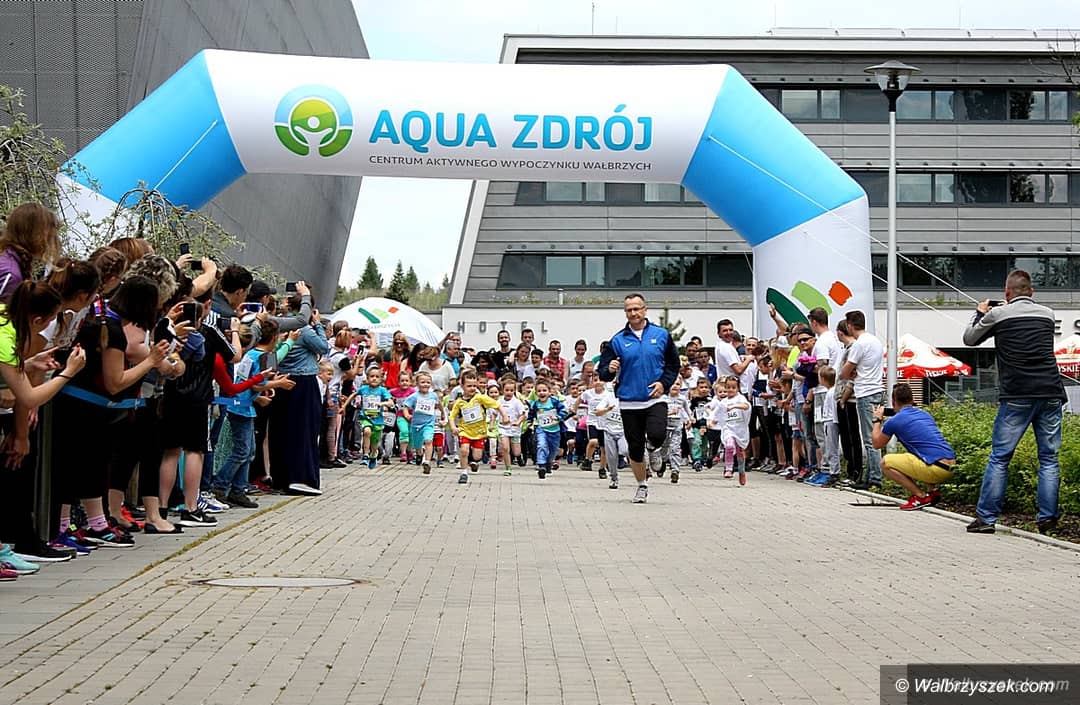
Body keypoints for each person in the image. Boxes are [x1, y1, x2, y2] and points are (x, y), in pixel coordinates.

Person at [962, 269, 1066, 534]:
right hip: (1051, 392)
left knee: (1000, 457)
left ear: (1007, 293)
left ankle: (986, 519)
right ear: (1032, 292)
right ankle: (1047, 519)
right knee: (1049, 459)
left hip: (1017, 394)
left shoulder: (999, 314)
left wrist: (980, 313)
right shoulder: (1048, 314)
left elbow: (970, 339)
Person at [598, 294, 680, 504]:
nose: (633, 313)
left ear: (645, 309)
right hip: (629, 401)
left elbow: (673, 365)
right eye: (629, 310)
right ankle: (642, 485)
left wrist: (663, 384)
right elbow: (603, 373)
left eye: (637, 309)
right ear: (625, 313)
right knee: (634, 449)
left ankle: (653, 449)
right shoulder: (617, 340)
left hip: (655, 398)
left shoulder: (661, 335)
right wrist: (610, 369)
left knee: (657, 433)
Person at [870, 383, 955, 510]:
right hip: (950, 466)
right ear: (912, 399)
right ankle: (933, 492)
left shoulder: (894, 421)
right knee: (920, 453)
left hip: (936, 469)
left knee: (885, 462)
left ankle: (921, 496)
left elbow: (877, 444)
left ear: (893, 402)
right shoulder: (925, 414)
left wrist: (877, 420)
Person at [840, 310, 885, 490]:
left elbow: (844, 372)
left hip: (865, 392)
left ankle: (874, 478)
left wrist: (851, 372)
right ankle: (872, 474)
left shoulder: (859, 344)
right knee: (875, 434)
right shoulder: (875, 341)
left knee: (869, 438)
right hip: (877, 389)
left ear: (850, 325)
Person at [448, 371, 506, 484]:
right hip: (465, 430)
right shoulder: (459, 402)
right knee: (464, 450)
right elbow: (451, 416)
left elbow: (497, 405)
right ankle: (464, 473)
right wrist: (453, 427)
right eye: (469, 386)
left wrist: (504, 416)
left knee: (477, 456)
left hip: (479, 432)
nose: (472, 388)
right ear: (462, 386)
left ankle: (473, 461)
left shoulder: (480, 398)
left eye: (474, 386)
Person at [0, 203, 61, 304]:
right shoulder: (11, 275)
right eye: (49, 236)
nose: (49, 242)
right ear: (36, 235)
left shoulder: (7, 256)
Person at [712, 376, 751, 485]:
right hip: (728, 428)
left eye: (733, 387)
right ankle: (728, 468)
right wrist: (712, 421)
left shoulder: (740, 398)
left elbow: (746, 406)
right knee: (729, 445)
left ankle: (741, 471)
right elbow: (717, 414)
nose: (730, 390)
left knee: (740, 452)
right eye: (728, 387)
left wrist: (735, 406)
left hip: (740, 429)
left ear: (738, 388)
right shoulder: (723, 402)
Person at [527, 379, 568, 479]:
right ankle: (541, 465)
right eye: (539, 391)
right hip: (542, 429)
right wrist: (529, 421)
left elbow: (564, 410)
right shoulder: (536, 404)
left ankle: (549, 462)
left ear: (549, 392)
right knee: (541, 445)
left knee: (553, 449)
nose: (542, 393)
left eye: (544, 390)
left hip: (555, 430)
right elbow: (531, 413)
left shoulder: (554, 402)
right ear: (536, 393)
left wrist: (558, 417)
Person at [403, 371, 441, 474]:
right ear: (417, 383)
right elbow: (406, 406)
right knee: (417, 445)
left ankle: (427, 462)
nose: (425, 385)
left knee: (428, 440)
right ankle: (419, 454)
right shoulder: (414, 396)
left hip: (429, 423)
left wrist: (442, 414)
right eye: (423, 382)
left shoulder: (433, 395)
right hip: (416, 425)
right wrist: (406, 414)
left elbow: (439, 404)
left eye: (428, 382)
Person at [496, 377, 527, 476]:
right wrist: (492, 423)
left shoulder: (517, 402)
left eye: (511, 390)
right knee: (505, 448)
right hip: (503, 428)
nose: (509, 392)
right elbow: (494, 412)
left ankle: (519, 456)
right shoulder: (499, 401)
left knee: (516, 452)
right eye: (507, 390)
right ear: (502, 390)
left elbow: (523, 414)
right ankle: (508, 468)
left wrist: (518, 422)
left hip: (514, 429)